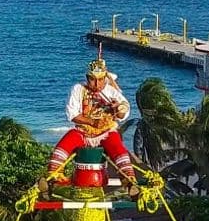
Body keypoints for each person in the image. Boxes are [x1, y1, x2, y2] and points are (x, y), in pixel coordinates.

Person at [40, 47, 138, 197]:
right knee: (62, 146)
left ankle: (129, 181)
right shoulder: (78, 89)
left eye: (100, 80)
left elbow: (124, 109)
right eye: (93, 79)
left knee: (118, 149)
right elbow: (72, 114)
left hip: (106, 132)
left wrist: (118, 108)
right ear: (87, 78)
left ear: (105, 78)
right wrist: (92, 122)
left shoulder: (111, 92)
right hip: (83, 131)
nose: (97, 84)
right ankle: (51, 179)